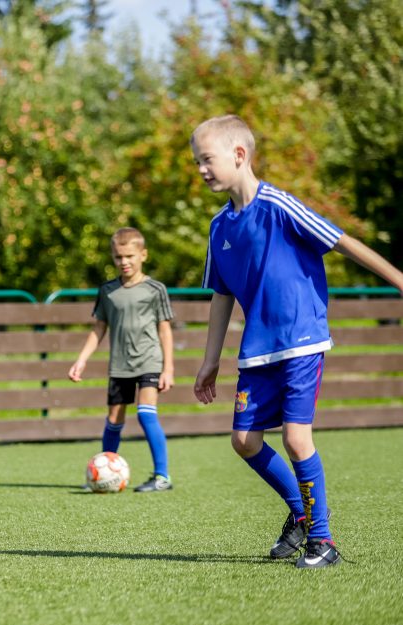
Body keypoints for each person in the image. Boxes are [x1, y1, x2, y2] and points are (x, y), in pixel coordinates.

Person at [190, 114, 403, 568]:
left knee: (295, 438)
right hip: (256, 349)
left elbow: (342, 242)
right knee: (244, 441)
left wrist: (398, 277)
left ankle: (321, 541)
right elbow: (221, 295)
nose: (201, 169)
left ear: (239, 155)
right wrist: (211, 360)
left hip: (302, 340)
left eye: (207, 160)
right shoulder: (218, 228)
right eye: (197, 162)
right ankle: (302, 513)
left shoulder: (279, 205)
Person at [68, 227, 175, 492]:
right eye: (118, 257)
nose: (124, 262)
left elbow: (165, 330)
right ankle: (103, 473)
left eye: (129, 256)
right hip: (119, 365)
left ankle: (162, 476)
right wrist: (81, 360)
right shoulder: (107, 290)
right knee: (114, 419)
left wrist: (168, 368)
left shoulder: (155, 289)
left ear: (143, 255)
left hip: (149, 361)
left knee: (145, 413)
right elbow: (99, 328)